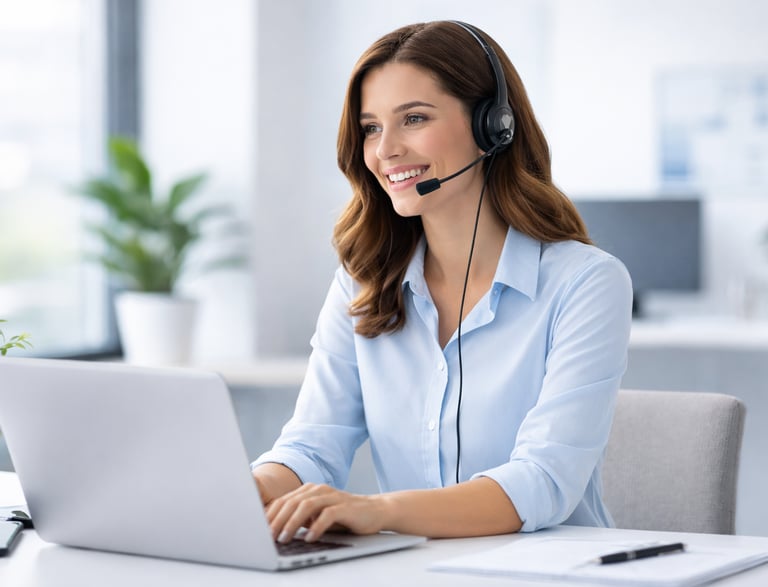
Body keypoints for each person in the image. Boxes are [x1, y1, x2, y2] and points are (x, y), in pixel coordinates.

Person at [251, 20, 632, 544]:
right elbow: (313, 447)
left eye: (413, 118)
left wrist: (376, 510)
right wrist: (246, 491)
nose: (385, 150)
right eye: (370, 127)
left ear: (492, 127)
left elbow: (543, 480)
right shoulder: (363, 284)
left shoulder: (585, 284)